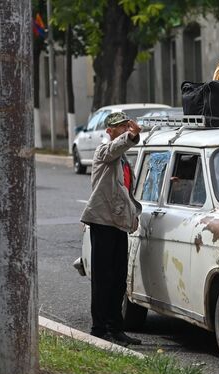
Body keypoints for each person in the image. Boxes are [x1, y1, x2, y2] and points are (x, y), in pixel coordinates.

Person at [80, 111, 143, 347]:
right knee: (102, 279)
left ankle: (116, 328)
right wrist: (132, 136)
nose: (125, 129)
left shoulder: (124, 159)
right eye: (120, 127)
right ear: (110, 131)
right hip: (102, 222)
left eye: (127, 125)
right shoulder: (103, 151)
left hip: (118, 223)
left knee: (118, 279)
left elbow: (125, 192)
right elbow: (114, 148)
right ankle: (99, 329)